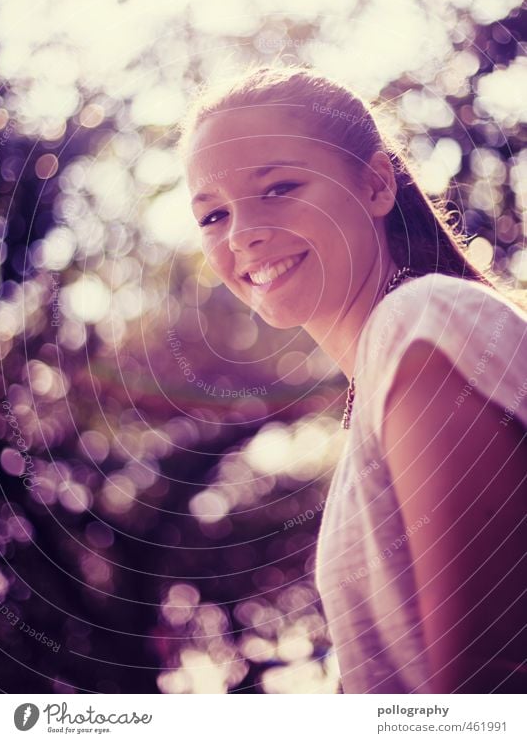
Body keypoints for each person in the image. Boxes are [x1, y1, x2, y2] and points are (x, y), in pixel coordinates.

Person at [179, 64, 527, 694]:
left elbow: (489, 680)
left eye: (280, 186)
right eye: (212, 216)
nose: (243, 233)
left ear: (374, 186)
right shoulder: (391, 366)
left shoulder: (424, 321)